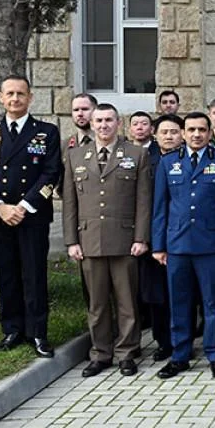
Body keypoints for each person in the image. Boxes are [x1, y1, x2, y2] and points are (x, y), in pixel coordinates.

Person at [0, 75, 61, 358]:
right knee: (6, 273)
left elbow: (51, 173)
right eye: (9, 93)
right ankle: (11, 329)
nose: (15, 99)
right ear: (0, 97)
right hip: (0, 215)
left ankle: (37, 333)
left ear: (30, 97)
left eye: (21, 94)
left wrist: (23, 206)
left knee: (34, 274)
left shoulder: (46, 132)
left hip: (31, 215)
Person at [63, 104, 152, 378]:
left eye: (109, 120)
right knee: (97, 303)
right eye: (98, 120)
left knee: (127, 301)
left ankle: (127, 352)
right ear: (91, 123)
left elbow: (144, 200)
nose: (103, 125)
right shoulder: (75, 155)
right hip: (89, 240)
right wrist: (71, 241)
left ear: (119, 123)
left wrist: (141, 237)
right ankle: (100, 354)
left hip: (125, 240)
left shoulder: (137, 154)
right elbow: (70, 202)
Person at [151, 112, 215, 380]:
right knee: (179, 303)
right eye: (191, 130)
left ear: (210, 133)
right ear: (183, 133)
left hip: (211, 244)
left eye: (202, 129)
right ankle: (180, 356)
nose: (197, 134)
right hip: (177, 245)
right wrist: (158, 245)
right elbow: (160, 208)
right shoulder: (168, 163)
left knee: (213, 304)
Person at [140, 114, 184, 361]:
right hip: (154, 236)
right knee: (157, 294)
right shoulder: (144, 160)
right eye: (164, 132)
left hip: (183, 236)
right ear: (155, 134)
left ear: (183, 134)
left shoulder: (190, 159)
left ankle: (184, 338)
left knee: (184, 293)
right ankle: (163, 341)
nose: (169, 136)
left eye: (174, 131)